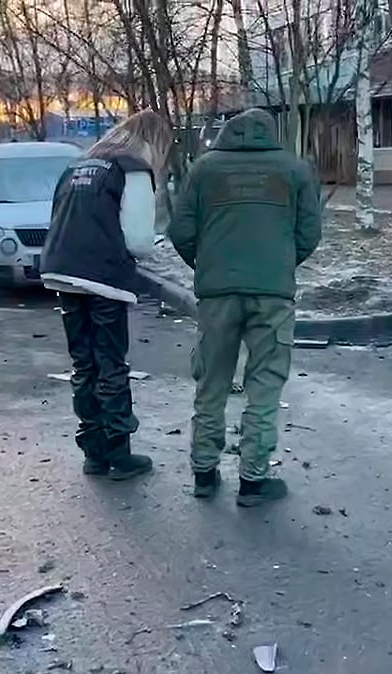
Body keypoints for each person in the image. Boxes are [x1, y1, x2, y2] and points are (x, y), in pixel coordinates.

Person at [169, 108, 322, 507]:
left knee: (211, 383)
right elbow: (309, 233)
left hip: (217, 295)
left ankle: (204, 473)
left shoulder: (204, 169)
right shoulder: (294, 169)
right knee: (265, 386)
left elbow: (180, 231)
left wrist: (209, 266)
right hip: (272, 295)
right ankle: (253, 479)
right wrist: (278, 266)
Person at [40, 110, 174, 480]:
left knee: (84, 363)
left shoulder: (78, 166)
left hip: (63, 269)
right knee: (110, 363)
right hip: (102, 275)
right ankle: (119, 453)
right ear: (155, 142)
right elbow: (139, 241)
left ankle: (93, 453)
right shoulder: (133, 169)